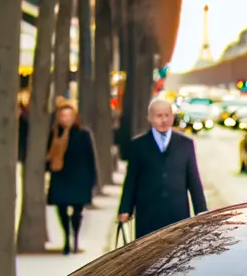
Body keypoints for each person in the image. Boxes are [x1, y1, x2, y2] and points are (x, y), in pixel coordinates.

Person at [117, 97, 206, 239]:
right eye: (159, 116)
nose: (164, 120)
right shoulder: (138, 145)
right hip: (148, 214)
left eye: (167, 115)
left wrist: (202, 211)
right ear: (150, 118)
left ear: (172, 117)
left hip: (178, 215)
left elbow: (194, 179)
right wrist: (125, 209)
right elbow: (131, 180)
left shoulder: (185, 144)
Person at [47, 100, 98, 255]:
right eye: (63, 115)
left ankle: (75, 237)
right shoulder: (54, 133)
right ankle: (66, 239)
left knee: (77, 211)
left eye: (69, 115)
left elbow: (91, 157)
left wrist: (93, 179)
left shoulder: (83, 134)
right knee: (61, 208)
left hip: (79, 177)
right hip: (60, 176)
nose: (66, 118)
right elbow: (48, 155)